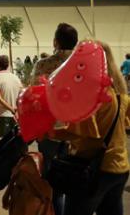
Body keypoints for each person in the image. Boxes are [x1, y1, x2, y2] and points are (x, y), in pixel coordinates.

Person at [52, 41, 129, 215]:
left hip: (93, 170)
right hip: (119, 168)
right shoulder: (119, 93)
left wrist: (49, 132)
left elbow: (77, 134)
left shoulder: (91, 98)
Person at [33, 22, 79, 213]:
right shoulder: (82, 66)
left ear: (55, 42)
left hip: (50, 129)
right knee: (76, 180)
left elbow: (34, 95)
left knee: (53, 183)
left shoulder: (43, 64)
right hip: (78, 131)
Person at [0, 55, 23, 137]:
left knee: (5, 142)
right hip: (15, 115)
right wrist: (16, 110)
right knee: (14, 141)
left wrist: (11, 109)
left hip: (2, 115)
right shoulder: (16, 78)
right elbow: (21, 96)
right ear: (8, 65)